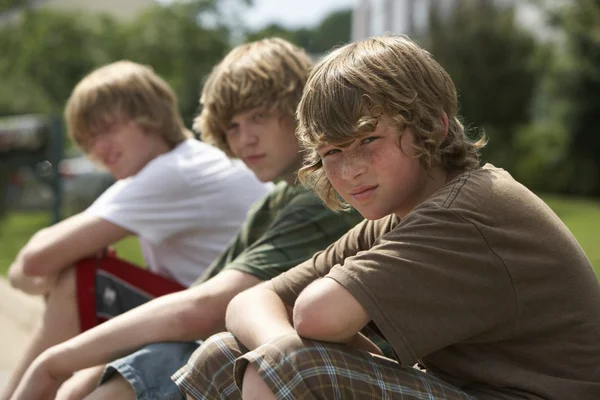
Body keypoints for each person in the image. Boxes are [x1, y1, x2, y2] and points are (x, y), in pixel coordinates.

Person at [174, 35, 600, 400]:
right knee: (225, 355)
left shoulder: (466, 210)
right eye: (331, 152)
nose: (349, 169)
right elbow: (249, 301)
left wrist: (289, 351)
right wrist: (282, 345)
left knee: (292, 365)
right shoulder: (395, 218)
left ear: (433, 124)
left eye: (368, 139)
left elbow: (318, 314)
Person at [9, 38, 363, 400]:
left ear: (297, 109)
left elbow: (203, 309)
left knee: (84, 283)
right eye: (232, 127)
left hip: (274, 345)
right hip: (222, 320)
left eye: (258, 117)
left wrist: (55, 363)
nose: (246, 139)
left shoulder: (323, 197)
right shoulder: (273, 201)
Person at [2, 60, 270, 400]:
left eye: (107, 129)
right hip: (225, 307)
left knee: (82, 277)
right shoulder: (179, 162)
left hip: (223, 320)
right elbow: (34, 263)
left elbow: (34, 262)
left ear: (150, 118)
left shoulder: (172, 172)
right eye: (88, 141)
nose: (98, 150)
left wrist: (39, 275)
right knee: (83, 279)